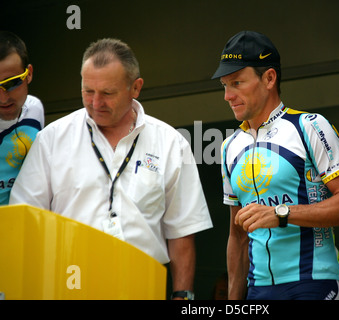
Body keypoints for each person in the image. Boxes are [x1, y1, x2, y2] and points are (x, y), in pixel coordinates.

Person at [10, 38, 212, 300]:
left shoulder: (171, 143)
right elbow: (26, 223)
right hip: (68, 286)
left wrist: (182, 295)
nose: (95, 103)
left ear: (135, 87)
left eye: (107, 93)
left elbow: (182, 233)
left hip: (143, 286)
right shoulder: (51, 140)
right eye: (87, 91)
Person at [213, 31, 339, 300]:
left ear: (269, 78)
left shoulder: (310, 126)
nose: (228, 95)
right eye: (224, 85)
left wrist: (281, 213)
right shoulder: (229, 147)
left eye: (237, 82)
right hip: (257, 290)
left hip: (312, 281)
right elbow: (237, 235)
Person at [0, 31, 44, 205]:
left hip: (20, 223)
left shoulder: (35, 109)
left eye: (12, 82)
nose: (3, 98)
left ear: (29, 74)